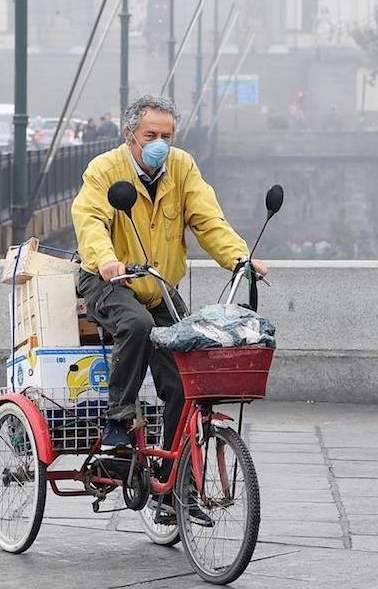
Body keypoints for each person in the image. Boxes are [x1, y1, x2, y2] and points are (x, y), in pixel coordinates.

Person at [73, 95, 269, 457]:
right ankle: (117, 420)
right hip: (108, 281)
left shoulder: (183, 167)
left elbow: (208, 221)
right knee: (136, 323)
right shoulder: (103, 169)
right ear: (129, 135)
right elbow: (91, 222)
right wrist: (106, 260)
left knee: (184, 374)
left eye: (167, 135)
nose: (159, 144)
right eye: (150, 135)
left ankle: (174, 484)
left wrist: (239, 258)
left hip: (159, 285)